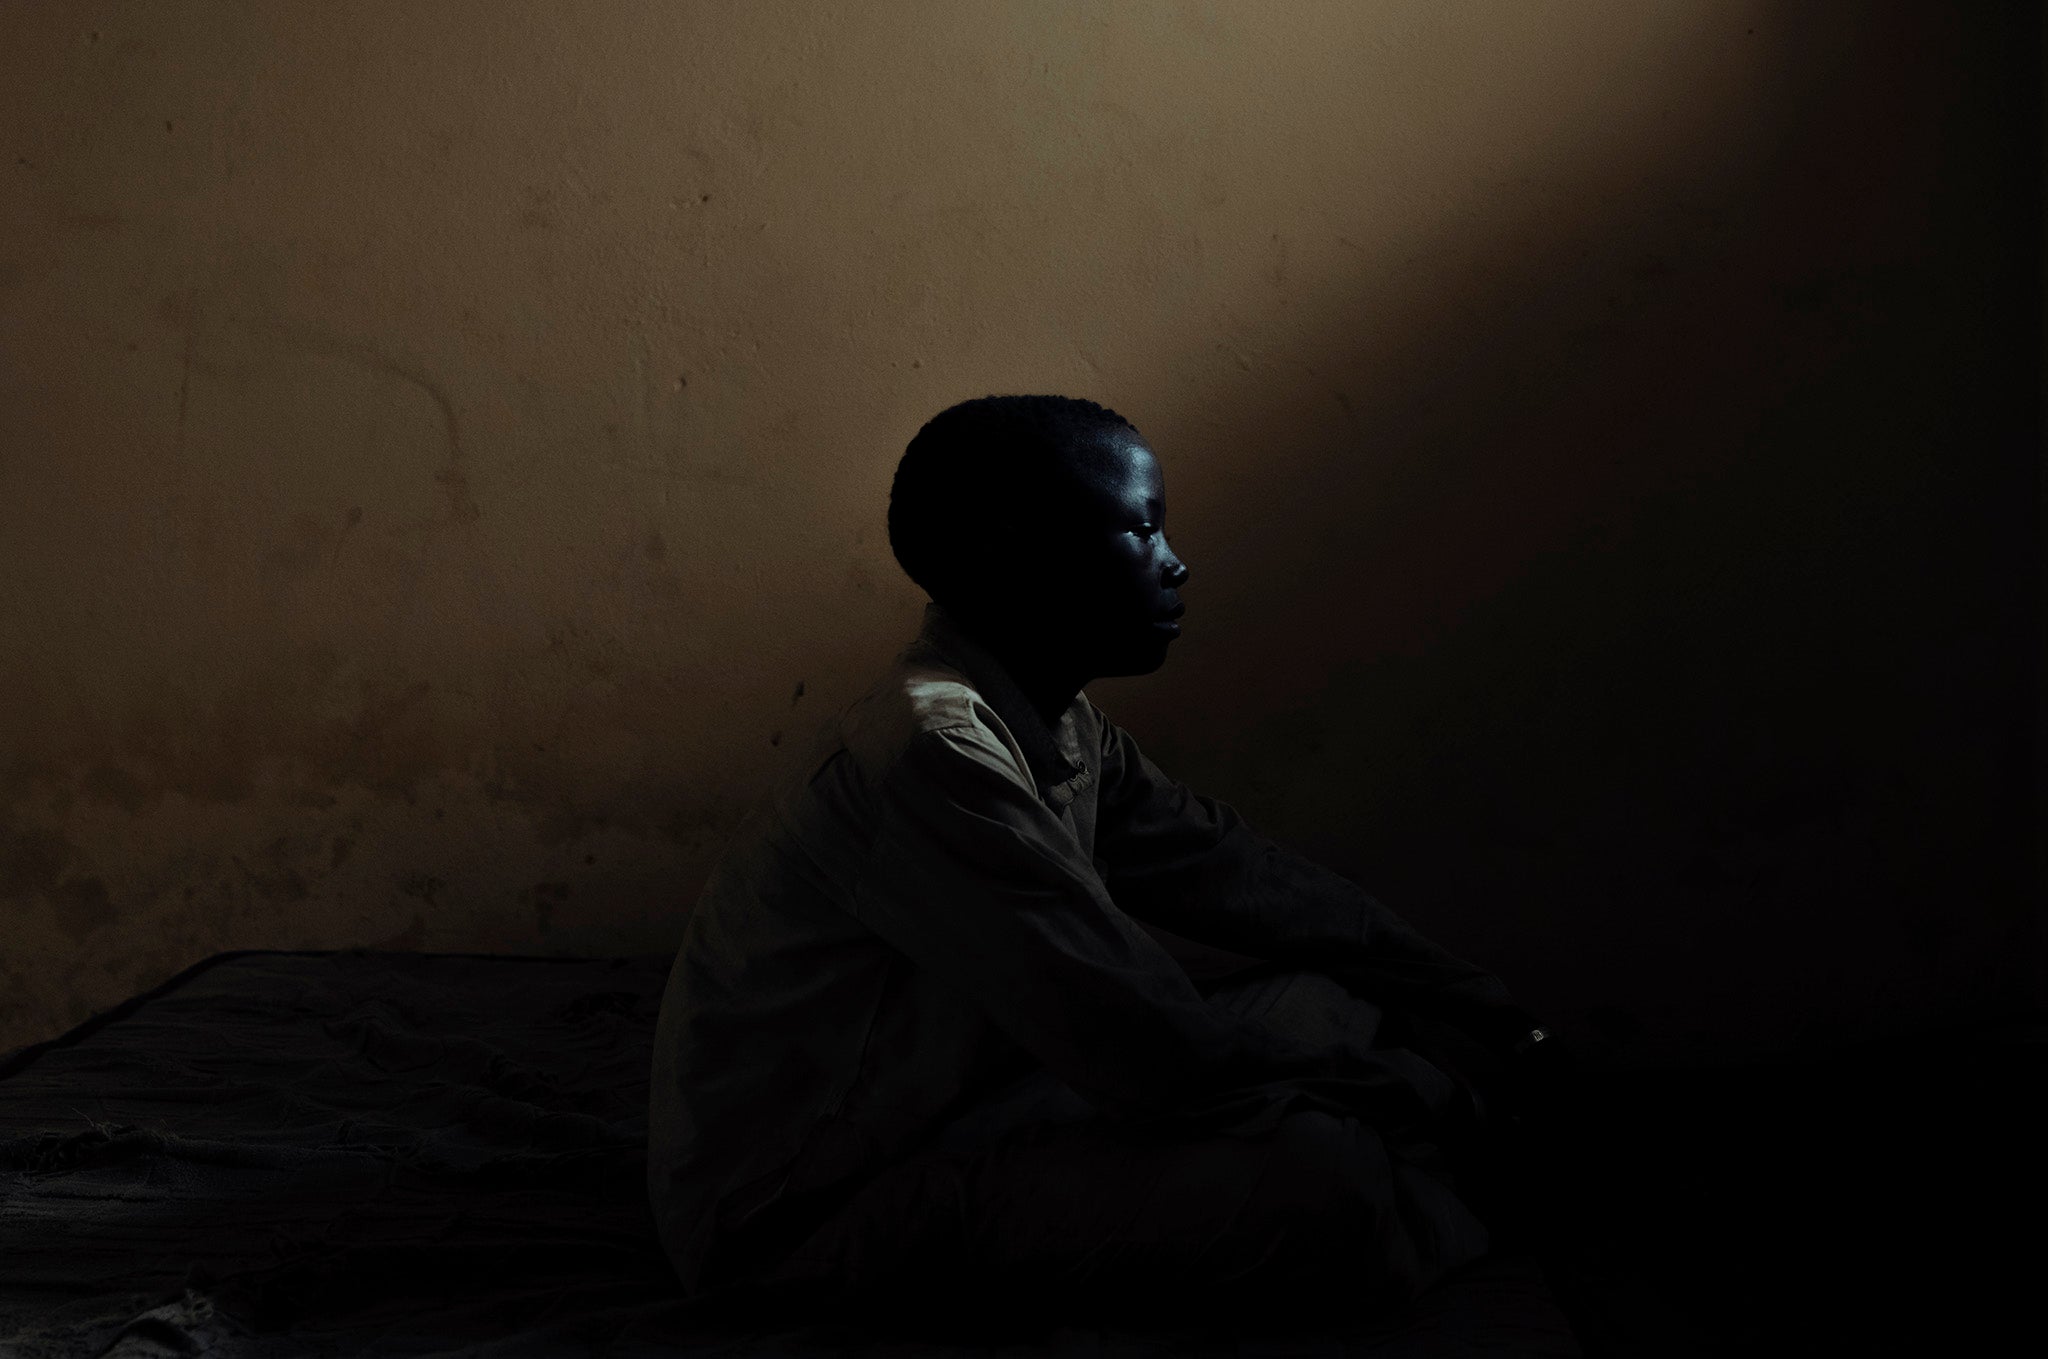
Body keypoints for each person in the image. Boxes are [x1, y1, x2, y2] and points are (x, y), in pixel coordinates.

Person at [647, 395, 1556, 1325]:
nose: (1176, 561)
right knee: (1331, 1179)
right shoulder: (936, 752)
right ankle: (1482, 1203)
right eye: (1143, 527)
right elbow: (1146, 1038)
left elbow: (1232, 871)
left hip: (960, 1102)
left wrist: (1463, 995)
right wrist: (1414, 1095)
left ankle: (1448, 1175)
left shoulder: (1054, 715)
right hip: (808, 1209)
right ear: (1013, 553)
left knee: (1329, 1004)